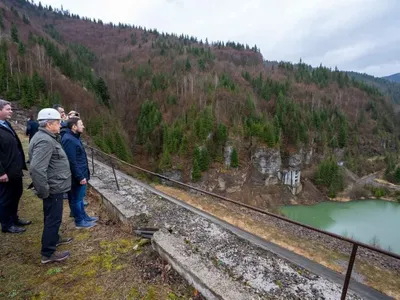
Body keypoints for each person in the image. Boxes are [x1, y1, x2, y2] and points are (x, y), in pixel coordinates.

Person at [29, 108, 72, 264]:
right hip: (52, 188)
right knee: (53, 219)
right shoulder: (45, 140)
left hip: (54, 185)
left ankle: (54, 239)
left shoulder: (46, 137)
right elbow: (36, 168)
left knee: (52, 217)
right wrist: (44, 190)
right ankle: (48, 253)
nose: (60, 125)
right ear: (49, 124)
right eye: (58, 122)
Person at [0, 99, 31, 234]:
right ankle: (7, 224)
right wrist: (1, 173)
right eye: (8, 109)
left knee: (16, 194)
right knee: (6, 198)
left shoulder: (5, 124)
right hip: (5, 171)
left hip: (14, 169)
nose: (11, 111)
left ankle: (14, 218)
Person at [61, 118, 97, 229]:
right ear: (74, 127)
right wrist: (80, 176)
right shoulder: (69, 139)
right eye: (81, 124)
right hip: (77, 176)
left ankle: (84, 216)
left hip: (80, 174)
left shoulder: (73, 137)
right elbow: (71, 161)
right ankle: (79, 221)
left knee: (79, 198)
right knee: (76, 199)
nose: (83, 126)